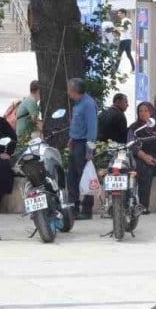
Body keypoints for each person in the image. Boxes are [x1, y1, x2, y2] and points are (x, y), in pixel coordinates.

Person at [66, 79, 98, 220]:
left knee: (85, 177)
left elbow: (92, 129)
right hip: (76, 142)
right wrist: (72, 137)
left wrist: (90, 151)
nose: (68, 92)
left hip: (84, 144)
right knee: (72, 177)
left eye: (69, 89)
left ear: (74, 90)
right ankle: (73, 206)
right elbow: (78, 125)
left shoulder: (88, 104)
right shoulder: (78, 103)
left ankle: (86, 209)